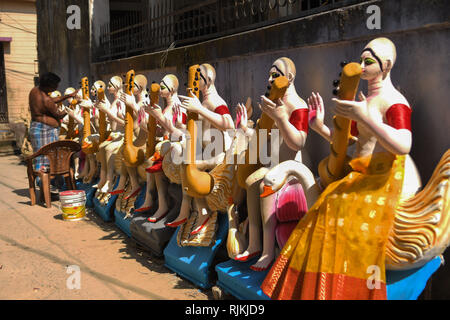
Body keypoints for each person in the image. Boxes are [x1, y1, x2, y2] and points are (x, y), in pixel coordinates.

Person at [28, 72, 77, 172]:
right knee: (48, 159)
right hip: (46, 131)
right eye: (55, 86)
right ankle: (46, 182)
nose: (57, 87)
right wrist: (71, 106)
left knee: (40, 157)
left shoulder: (35, 91)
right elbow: (59, 115)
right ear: (49, 86)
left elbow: (52, 100)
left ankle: (43, 182)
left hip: (35, 127)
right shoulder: (46, 100)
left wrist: (68, 96)